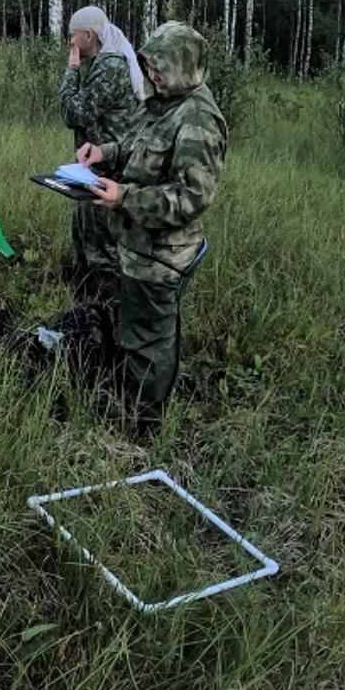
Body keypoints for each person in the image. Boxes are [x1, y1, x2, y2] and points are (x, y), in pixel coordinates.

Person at [75, 22, 226, 414]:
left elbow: (191, 198)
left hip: (162, 256)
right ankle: (132, 395)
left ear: (183, 66)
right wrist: (104, 152)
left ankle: (143, 419)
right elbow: (137, 148)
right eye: (149, 65)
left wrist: (124, 196)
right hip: (136, 245)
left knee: (150, 339)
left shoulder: (198, 119)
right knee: (136, 329)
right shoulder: (164, 103)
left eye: (160, 67)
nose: (152, 74)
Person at [58, 6, 146, 297]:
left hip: (109, 167)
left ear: (88, 35)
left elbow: (73, 112)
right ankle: (86, 298)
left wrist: (71, 69)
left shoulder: (109, 67)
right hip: (97, 164)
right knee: (83, 233)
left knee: (100, 247)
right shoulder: (102, 63)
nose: (70, 42)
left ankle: (105, 307)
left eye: (72, 36)